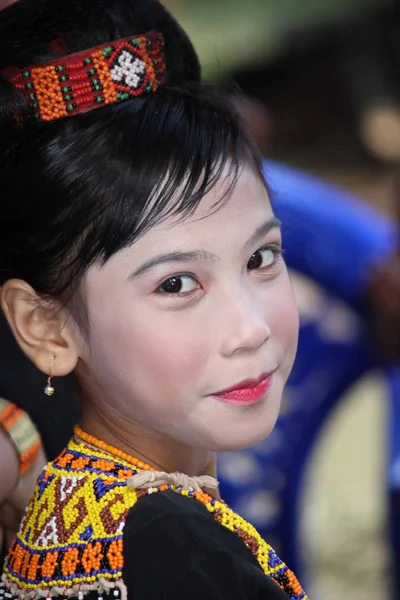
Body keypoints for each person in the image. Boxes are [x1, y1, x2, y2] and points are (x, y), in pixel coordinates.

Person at [0, 0, 305, 598]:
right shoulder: (172, 545)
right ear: (47, 329)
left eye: (261, 258)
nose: (250, 330)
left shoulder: (80, 514)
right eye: (175, 284)